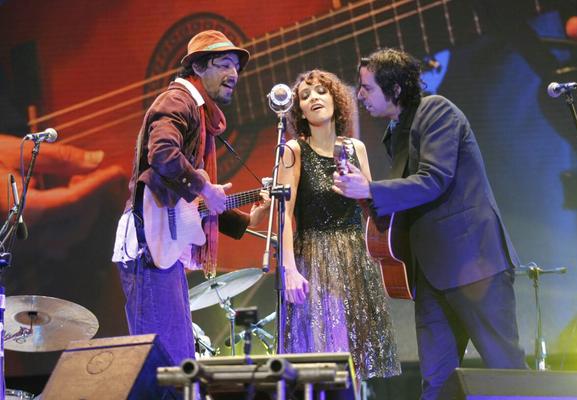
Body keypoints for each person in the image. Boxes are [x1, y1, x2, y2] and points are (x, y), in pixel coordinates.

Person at [332, 49, 528, 399]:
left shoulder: (436, 111)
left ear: (394, 89)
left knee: (506, 370)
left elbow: (434, 179)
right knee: (436, 382)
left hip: (474, 266)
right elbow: (407, 201)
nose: (359, 95)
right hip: (432, 275)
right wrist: (361, 195)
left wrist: (371, 188)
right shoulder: (397, 131)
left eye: (366, 87)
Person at [111, 30, 269, 365]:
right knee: (164, 361)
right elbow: (163, 153)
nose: (234, 74)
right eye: (224, 64)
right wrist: (204, 186)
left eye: (237, 68)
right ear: (198, 67)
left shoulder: (199, 112)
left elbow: (188, 206)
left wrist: (245, 219)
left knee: (177, 357)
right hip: (147, 249)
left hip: (163, 253)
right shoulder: (179, 101)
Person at [279, 69, 401, 381]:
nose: (314, 98)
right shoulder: (294, 151)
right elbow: (283, 216)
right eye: (305, 96)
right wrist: (289, 269)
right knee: (326, 359)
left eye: (321, 91)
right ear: (300, 111)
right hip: (315, 260)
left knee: (355, 360)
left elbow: (372, 209)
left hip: (354, 259)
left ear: (335, 99)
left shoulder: (355, 148)